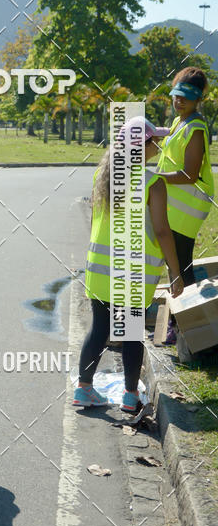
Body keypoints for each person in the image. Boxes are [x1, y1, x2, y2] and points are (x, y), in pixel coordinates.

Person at [74, 117, 184, 414]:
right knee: (131, 332)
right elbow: (162, 231)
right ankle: (130, 396)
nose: (158, 145)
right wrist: (175, 271)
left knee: (99, 329)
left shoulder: (102, 174)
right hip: (132, 273)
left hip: (99, 269)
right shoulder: (153, 182)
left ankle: (84, 390)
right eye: (154, 141)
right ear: (142, 147)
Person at [155, 67, 214, 289]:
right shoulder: (180, 121)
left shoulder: (195, 128)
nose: (179, 101)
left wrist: (156, 179)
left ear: (198, 99)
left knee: (180, 265)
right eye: (176, 96)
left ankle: (188, 320)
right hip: (175, 206)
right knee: (175, 265)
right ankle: (181, 320)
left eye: (186, 98)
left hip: (186, 209)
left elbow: (189, 175)